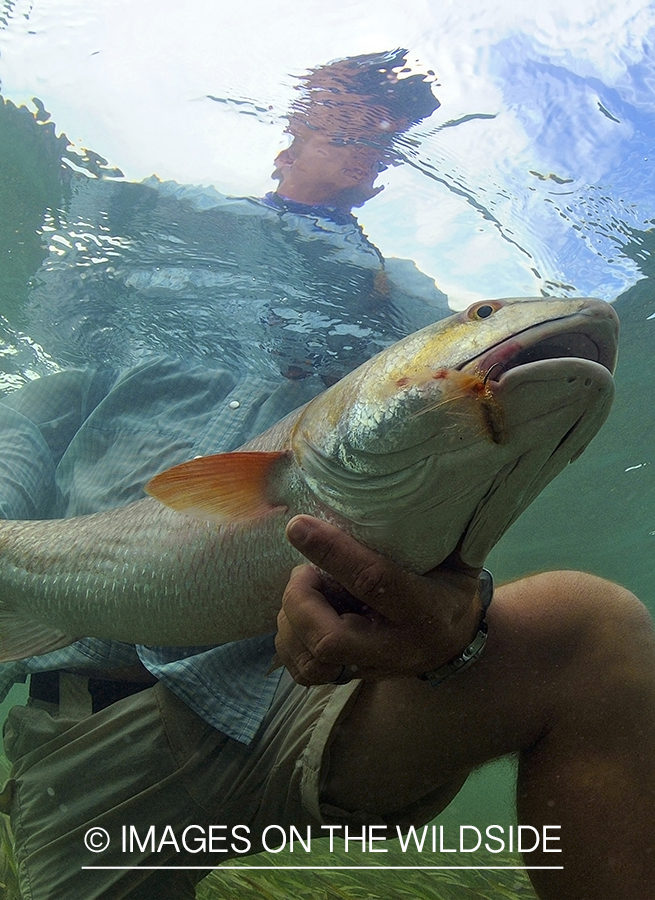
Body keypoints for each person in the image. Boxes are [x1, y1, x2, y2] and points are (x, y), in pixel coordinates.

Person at [0, 50, 652, 900]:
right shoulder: (154, 223)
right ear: (288, 127)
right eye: (347, 104)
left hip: (313, 694)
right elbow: (38, 415)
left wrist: (458, 609)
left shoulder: (409, 300)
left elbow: (439, 480)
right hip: (89, 713)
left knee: (592, 630)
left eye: (391, 121)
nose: (368, 129)